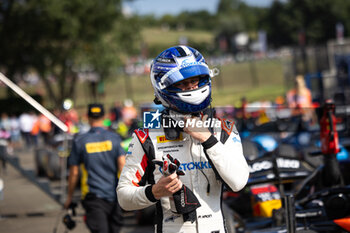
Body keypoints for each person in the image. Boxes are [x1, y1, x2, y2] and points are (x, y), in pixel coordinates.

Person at [117, 46, 249, 233]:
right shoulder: (146, 136)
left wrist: (206, 138)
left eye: (194, 81)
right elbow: (123, 197)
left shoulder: (224, 130)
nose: (191, 88)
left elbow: (238, 182)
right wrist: (155, 191)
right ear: (163, 87)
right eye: (182, 83)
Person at [64, 103, 125, 233]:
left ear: (87, 117)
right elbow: (123, 166)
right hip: (115, 195)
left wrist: (69, 197)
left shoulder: (79, 141)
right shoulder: (114, 138)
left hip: (93, 197)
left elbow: (74, 173)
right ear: (105, 117)